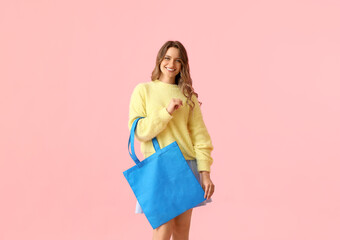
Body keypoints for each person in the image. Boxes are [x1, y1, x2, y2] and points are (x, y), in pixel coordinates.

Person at [128, 40, 215, 240]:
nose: (171, 64)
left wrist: (205, 173)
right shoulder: (144, 90)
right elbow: (139, 131)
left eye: (178, 60)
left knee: (182, 232)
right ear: (160, 60)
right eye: (167, 58)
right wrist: (165, 112)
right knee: (162, 230)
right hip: (159, 166)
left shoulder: (188, 96)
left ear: (183, 65)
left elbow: (200, 137)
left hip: (186, 164)